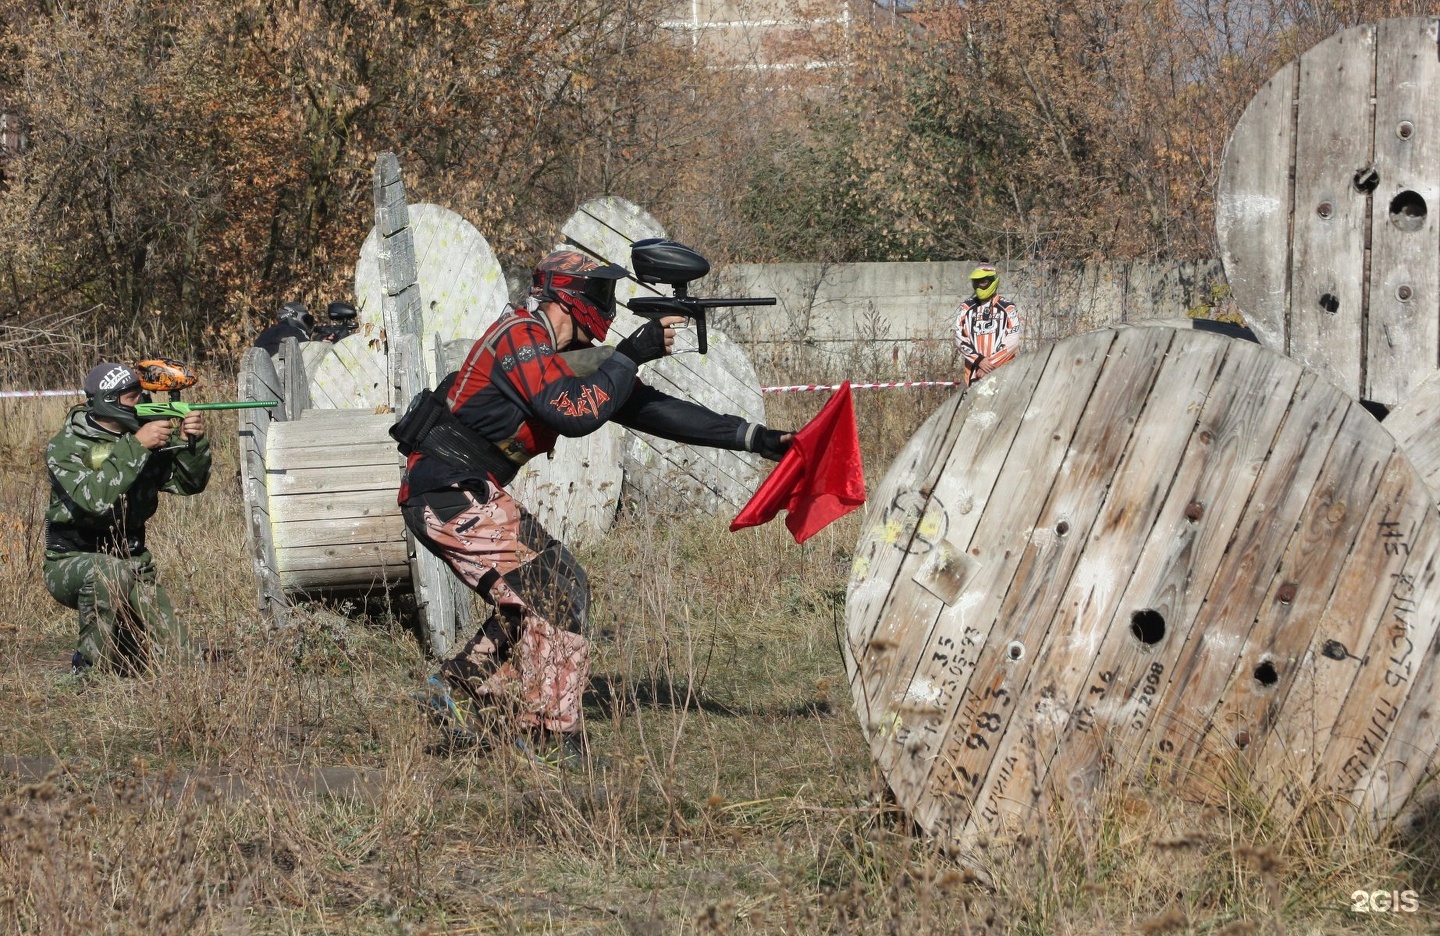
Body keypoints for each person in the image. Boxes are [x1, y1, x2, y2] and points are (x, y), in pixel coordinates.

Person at [396, 248, 793, 763]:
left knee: (542, 589)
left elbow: (653, 411)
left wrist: (757, 438)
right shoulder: (520, 336)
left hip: (460, 490)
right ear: (567, 299)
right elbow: (573, 412)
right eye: (599, 295)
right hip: (446, 490)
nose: (606, 307)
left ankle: (454, 686)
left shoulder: (557, 353)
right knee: (560, 591)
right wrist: (631, 354)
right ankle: (550, 737)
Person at [43, 362, 211, 675]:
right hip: (71, 562)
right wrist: (137, 446)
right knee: (109, 573)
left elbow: (189, 485)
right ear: (108, 401)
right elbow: (92, 499)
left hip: (132, 562)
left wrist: (193, 443)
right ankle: (87, 670)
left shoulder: (143, 435)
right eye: (134, 398)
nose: (143, 404)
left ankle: (123, 642)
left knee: (186, 662)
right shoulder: (65, 446)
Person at [953, 263, 1022, 385]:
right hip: (974, 374)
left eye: (983, 281)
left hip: (1003, 372)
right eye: (976, 281)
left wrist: (989, 365)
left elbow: (1013, 341)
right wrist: (979, 360)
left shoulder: (1007, 307)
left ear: (992, 281)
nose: (979, 285)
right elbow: (959, 338)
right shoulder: (966, 307)